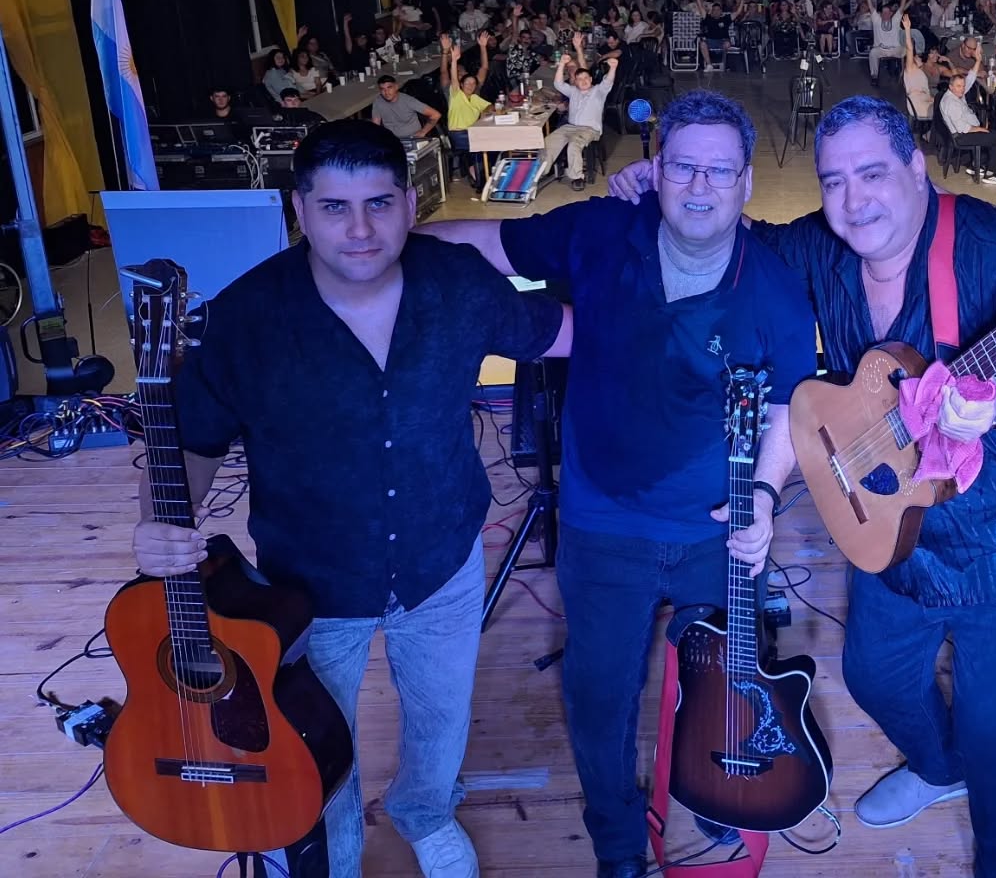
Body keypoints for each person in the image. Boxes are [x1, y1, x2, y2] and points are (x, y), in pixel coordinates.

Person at [607, 95, 996, 878]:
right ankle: (939, 766)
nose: (854, 201)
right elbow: (740, 238)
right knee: (874, 676)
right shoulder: (825, 247)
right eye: (834, 181)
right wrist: (668, 189)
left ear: (917, 169)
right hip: (894, 530)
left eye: (872, 174)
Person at [131, 120, 572, 878]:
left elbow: (556, 332)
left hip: (442, 559)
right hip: (306, 586)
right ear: (299, 210)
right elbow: (192, 443)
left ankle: (425, 811)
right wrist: (157, 524)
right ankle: (330, 855)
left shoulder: (459, 282)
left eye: (379, 203)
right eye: (335, 207)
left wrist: (665, 312)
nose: (360, 230)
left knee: (439, 716)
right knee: (309, 738)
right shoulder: (244, 319)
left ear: (410, 204)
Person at [421, 91, 817, 878]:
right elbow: (486, 242)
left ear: (746, 183)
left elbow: (787, 408)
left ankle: (717, 796)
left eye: (719, 171)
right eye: (683, 167)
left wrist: (767, 500)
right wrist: (392, 240)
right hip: (602, 528)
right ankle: (617, 845)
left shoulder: (775, 290)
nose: (699, 187)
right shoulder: (600, 231)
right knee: (599, 698)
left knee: (723, 687)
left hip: (719, 534)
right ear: (655, 170)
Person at [543, 32, 615, 190]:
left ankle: (577, 177)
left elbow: (608, 81)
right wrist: (562, 64)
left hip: (589, 130)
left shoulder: (598, 91)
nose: (583, 81)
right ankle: (541, 172)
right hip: (570, 127)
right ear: (575, 81)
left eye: (586, 78)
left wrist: (613, 68)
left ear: (591, 80)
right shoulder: (573, 91)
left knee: (574, 145)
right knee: (548, 142)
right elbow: (558, 84)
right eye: (579, 79)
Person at [939, 60, 996, 185]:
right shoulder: (951, 103)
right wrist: (980, 129)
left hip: (963, 131)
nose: (962, 89)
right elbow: (963, 128)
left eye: (963, 86)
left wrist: (978, 60)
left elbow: (970, 79)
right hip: (961, 136)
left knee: (991, 133)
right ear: (951, 87)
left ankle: (977, 165)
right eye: (959, 86)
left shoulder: (955, 94)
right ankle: (991, 174)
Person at [439, 32, 492, 188]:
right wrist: (449, 56)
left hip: (474, 129)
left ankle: (484, 173)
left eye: (465, 74)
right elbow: (446, 73)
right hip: (460, 132)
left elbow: (484, 68)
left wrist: (483, 47)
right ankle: (477, 175)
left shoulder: (474, 94)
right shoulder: (454, 92)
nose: (467, 82)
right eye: (459, 75)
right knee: (482, 145)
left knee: (493, 141)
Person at [865, 0, 908, 85]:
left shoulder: (895, 20)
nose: (884, 14)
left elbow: (902, 7)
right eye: (882, 12)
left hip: (895, 49)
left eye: (886, 12)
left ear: (891, 13)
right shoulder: (877, 20)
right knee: (873, 53)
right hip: (881, 49)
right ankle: (874, 76)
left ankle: (904, 74)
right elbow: (871, 7)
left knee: (907, 51)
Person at [371, 75, 440, 141]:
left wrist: (423, 131)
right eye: (383, 89)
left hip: (413, 138)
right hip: (393, 140)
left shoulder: (408, 101)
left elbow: (436, 115)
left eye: (389, 88)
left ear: (396, 87)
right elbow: (375, 127)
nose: (386, 92)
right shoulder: (378, 102)